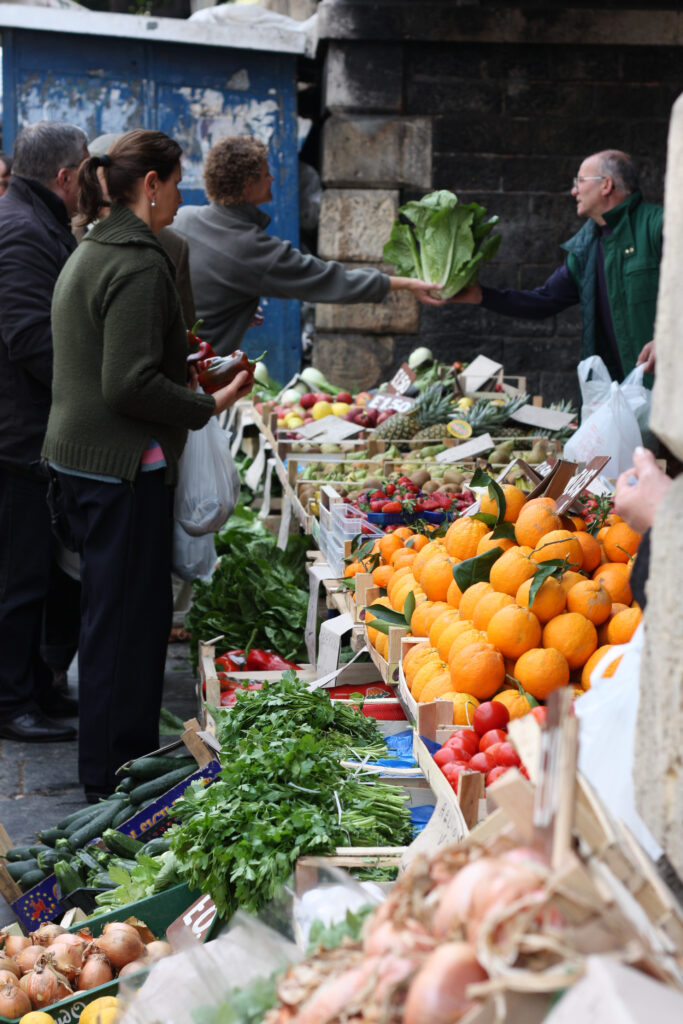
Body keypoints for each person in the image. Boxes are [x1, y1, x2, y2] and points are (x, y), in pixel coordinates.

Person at [41, 129, 252, 800]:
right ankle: (116, 781)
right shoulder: (135, 261)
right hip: (119, 466)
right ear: (151, 184)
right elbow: (127, 384)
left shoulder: (94, 248)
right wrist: (211, 400)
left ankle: (113, 771)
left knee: (112, 621)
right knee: (127, 628)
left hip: (86, 460)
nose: (183, 194)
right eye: (178, 179)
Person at [173, 135, 441, 356]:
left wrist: (234, 302)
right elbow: (331, 281)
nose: (272, 179)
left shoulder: (183, 218)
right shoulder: (252, 249)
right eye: (266, 174)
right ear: (247, 186)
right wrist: (406, 283)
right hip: (196, 378)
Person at [0, 121, 88, 744]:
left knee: (33, 577)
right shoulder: (23, 233)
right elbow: (31, 338)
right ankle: (11, 703)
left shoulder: (34, 224)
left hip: (28, 431)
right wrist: (95, 390)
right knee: (18, 579)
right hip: (15, 437)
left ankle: (33, 688)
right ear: (64, 176)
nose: (92, 179)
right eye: (86, 169)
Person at [449, 150, 662, 382]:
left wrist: (669, 338)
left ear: (606, 185)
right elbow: (544, 300)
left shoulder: (658, 225)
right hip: (620, 392)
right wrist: (481, 296)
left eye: (579, 181)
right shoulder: (586, 248)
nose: (573, 191)